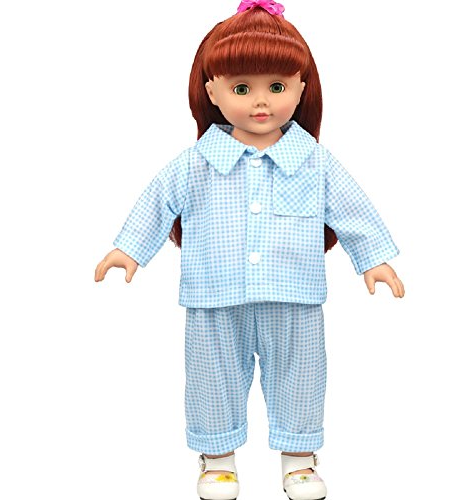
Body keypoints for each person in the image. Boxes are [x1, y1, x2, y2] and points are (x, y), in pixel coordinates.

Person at [94, 1, 405, 499]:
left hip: (295, 295)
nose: (261, 102)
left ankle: (299, 459)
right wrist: (129, 250)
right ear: (212, 91)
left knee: (301, 377)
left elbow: (352, 210)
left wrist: (374, 260)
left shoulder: (315, 162)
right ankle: (217, 459)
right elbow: (157, 202)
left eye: (276, 87)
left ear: (301, 88)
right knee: (211, 378)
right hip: (213, 295)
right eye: (242, 89)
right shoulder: (194, 164)